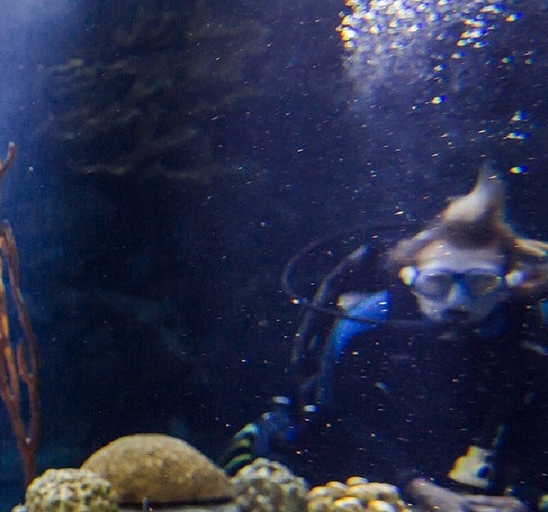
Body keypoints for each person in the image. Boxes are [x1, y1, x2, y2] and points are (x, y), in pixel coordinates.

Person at [231, 171, 548, 512]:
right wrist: (414, 484)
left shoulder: (532, 335)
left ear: (509, 285)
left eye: (481, 284)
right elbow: (342, 414)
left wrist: (526, 498)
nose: (458, 303)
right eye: (438, 283)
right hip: (371, 468)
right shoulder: (369, 324)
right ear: (411, 280)